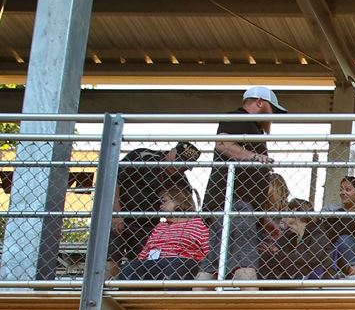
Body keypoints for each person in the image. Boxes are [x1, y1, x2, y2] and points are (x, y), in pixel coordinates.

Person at [200, 85, 284, 281]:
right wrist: (255, 157)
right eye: (272, 109)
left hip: (233, 204)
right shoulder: (240, 117)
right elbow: (223, 144)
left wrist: (262, 218)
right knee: (245, 262)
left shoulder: (252, 127)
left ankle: (197, 304)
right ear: (260, 102)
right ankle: (251, 306)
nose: (273, 116)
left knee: (213, 262)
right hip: (236, 203)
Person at [108, 139, 201, 274]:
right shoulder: (144, 157)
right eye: (178, 160)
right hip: (123, 214)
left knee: (142, 262)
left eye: (185, 165)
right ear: (172, 152)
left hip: (150, 226)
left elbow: (187, 205)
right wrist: (116, 213)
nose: (179, 167)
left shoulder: (181, 181)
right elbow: (114, 180)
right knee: (111, 254)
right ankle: (105, 290)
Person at [116, 186, 212, 280]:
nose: (161, 206)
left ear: (179, 201)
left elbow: (208, 252)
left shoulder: (197, 224)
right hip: (155, 261)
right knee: (130, 267)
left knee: (176, 266)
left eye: (164, 202)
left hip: (182, 261)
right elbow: (146, 251)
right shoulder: (160, 226)